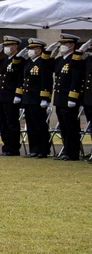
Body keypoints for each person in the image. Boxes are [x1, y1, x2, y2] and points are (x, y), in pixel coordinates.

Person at [17, 38, 54, 159]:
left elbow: (46, 80)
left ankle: (43, 150)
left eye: (32, 49)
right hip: (28, 98)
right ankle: (34, 149)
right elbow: (24, 81)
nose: (30, 51)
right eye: (29, 49)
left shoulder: (43, 62)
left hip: (38, 99)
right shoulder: (28, 62)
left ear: (39, 50)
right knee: (31, 126)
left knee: (40, 126)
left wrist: (45, 98)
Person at [53, 33, 83, 161]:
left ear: (71, 45)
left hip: (68, 98)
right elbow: (47, 65)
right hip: (60, 98)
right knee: (63, 127)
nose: (62, 46)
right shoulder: (60, 60)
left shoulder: (75, 59)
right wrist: (51, 52)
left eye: (64, 44)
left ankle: (73, 153)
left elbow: (75, 79)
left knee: (71, 127)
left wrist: (73, 97)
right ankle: (66, 150)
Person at [0, 36, 24, 156]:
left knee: (12, 123)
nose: (6, 48)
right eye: (5, 46)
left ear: (15, 47)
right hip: (1, 96)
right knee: (3, 124)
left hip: (11, 97)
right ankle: (6, 147)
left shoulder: (19, 61)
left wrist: (18, 94)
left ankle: (14, 148)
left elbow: (21, 78)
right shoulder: (4, 62)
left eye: (8, 45)